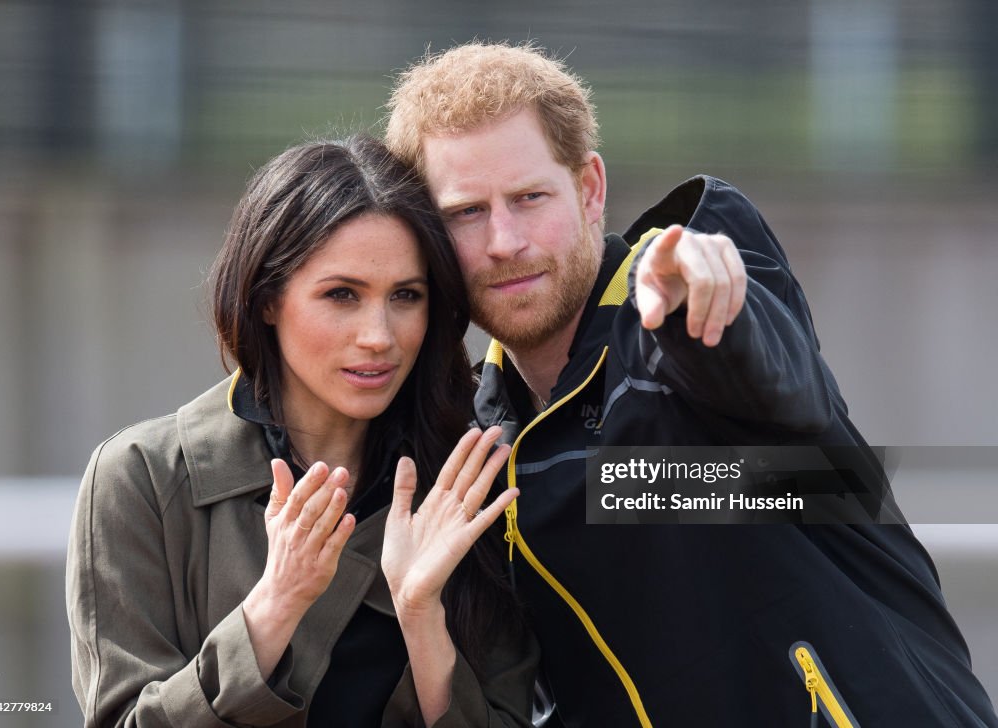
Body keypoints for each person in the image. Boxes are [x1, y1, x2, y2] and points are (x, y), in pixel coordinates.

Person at [385, 42, 998, 727]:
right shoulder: (474, 452)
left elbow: (780, 386)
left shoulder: (673, 308)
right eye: (467, 212)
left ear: (590, 189)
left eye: (530, 198)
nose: (504, 240)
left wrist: (705, 311)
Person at [65, 135, 538, 727]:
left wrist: (420, 614)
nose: (379, 336)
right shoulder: (142, 479)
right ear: (267, 299)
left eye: (406, 296)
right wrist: (275, 603)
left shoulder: (469, 479)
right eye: (342, 295)